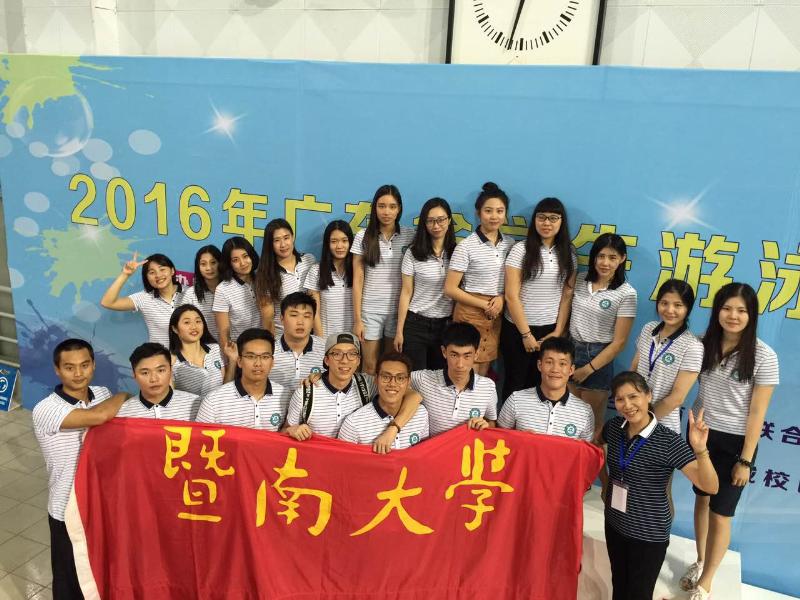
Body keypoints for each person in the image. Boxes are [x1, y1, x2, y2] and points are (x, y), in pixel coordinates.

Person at [682, 283, 779, 600]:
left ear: (752, 315)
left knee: (721, 513)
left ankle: (707, 580)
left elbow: (757, 413)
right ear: (717, 311)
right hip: (701, 434)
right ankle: (700, 561)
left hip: (736, 443)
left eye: (741, 310)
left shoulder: (764, 356)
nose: (733, 316)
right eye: (726, 308)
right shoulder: (701, 344)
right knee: (701, 500)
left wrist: (745, 460)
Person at [602, 372, 718, 600]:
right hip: (614, 523)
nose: (627, 405)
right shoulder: (614, 427)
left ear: (648, 396)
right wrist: (605, 484)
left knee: (639, 593)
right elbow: (596, 446)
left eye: (633, 396)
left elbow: (710, 487)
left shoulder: (668, 440)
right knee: (619, 584)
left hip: (648, 533)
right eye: (620, 399)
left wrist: (701, 450)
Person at [32, 339, 128, 600]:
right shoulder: (46, 409)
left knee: (101, 573)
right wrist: (124, 395)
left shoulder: (103, 394)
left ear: (93, 365)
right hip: (66, 508)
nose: (78, 373)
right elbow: (98, 417)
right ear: (57, 370)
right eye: (69, 367)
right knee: (70, 581)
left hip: (101, 504)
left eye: (84, 365)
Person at [372, 322, 497, 451]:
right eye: (454, 355)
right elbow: (388, 383)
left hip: (466, 456)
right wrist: (394, 428)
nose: (460, 364)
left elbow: (492, 422)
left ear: (476, 354)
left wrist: (486, 425)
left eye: (467, 356)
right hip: (432, 455)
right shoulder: (423, 379)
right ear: (444, 352)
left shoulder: (488, 387)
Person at [501, 197, 576, 399]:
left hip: (550, 330)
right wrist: (526, 334)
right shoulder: (521, 249)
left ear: (561, 221)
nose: (546, 223)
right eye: (541, 217)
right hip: (517, 329)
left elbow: (567, 295)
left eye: (553, 218)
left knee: (542, 386)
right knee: (515, 383)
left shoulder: (568, 253)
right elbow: (511, 296)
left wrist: (558, 331)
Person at [568, 233, 637, 434]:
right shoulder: (580, 279)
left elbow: (619, 343)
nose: (605, 263)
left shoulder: (626, 293)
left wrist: (588, 369)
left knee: (592, 424)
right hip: (571, 351)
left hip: (598, 357)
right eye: (601, 256)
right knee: (568, 416)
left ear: (622, 259)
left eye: (612, 257)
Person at [445, 182, 514, 376]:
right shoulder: (466, 246)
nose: (494, 216)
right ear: (478, 213)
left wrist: (501, 298)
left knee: (483, 373)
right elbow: (450, 288)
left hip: (495, 313)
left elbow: (513, 282)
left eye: (500, 211)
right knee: (464, 371)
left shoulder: (510, 244)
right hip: (469, 313)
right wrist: (484, 304)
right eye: (488, 211)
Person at [351, 184, 415, 374]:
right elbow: (358, 280)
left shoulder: (409, 235)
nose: (386, 212)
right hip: (370, 311)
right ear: (374, 208)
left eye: (392, 206)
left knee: (390, 367)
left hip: (398, 312)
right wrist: (358, 319)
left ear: (399, 209)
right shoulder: (363, 236)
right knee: (369, 366)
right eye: (382, 206)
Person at [631, 279, 703, 435]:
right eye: (664, 303)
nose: (670, 310)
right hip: (632, 417)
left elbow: (677, 398)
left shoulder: (693, 346)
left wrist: (644, 421)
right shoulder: (648, 329)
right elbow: (634, 369)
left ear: (688, 308)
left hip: (662, 426)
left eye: (678, 305)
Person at [394, 197, 456, 371]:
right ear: (424, 223)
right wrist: (399, 331)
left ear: (449, 220)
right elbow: (406, 292)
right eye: (430, 221)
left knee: (440, 378)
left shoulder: (457, 252)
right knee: (415, 377)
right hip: (415, 324)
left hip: (445, 326)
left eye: (441, 220)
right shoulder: (414, 253)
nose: (436, 226)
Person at [283, 332, 378, 440]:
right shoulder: (304, 394)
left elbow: (395, 395)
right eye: (337, 354)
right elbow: (284, 431)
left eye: (352, 354)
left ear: (358, 361)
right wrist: (291, 430)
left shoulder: (368, 384)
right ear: (327, 360)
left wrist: (392, 428)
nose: (344, 360)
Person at [497, 337, 593, 441]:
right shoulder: (516, 400)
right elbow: (498, 439)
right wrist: (518, 438)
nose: (555, 369)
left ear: (571, 370)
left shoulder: (584, 412)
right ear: (539, 365)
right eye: (549, 362)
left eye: (562, 364)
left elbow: (585, 449)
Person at [196, 328, 288, 430]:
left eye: (265, 357)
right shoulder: (213, 401)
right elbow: (199, 437)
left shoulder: (285, 396)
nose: (258, 363)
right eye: (251, 356)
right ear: (239, 361)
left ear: (272, 362)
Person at [338, 352, 429, 449]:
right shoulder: (353, 424)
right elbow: (341, 457)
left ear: (408, 382)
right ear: (376, 379)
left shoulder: (421, 414)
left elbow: (424, 453)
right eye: (386, 377)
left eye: (400, 378)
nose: (392, 384)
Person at [100, 252, 183, 347]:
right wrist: (125, 274)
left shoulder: (191, 293)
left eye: (162, 269)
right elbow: (107, 302)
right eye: (152, 272)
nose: (158, 275)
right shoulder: (144, 298)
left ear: (172, 271)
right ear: (147, 277)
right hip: (161, 355)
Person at [255, 218, 316, 336]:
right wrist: (272, 343)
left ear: (293, 237)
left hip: (310, 335)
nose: (283, 244)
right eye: (277, 240)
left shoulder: (309, 260)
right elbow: (268, 319)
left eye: (286, 238)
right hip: (282, 338)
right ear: (270, 244)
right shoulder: (265, 274)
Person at [117, 343, 200, 420]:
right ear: (134, 375)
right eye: (145, 373)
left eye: (160, 370)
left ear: (171, 370)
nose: (154, 379)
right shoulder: (122, 413)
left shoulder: (196, 405)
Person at [168, 305, 237, 397]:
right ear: (175, 329)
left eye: (198, 321)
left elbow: (225, 389)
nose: (194, 326)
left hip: (220, 405)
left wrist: (232, 360)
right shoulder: (171, 361)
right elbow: (171, 398)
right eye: (187, 322)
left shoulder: (215, 349)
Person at [269, 292, 326, 394]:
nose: (300, 322)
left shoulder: (326, 350)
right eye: (294, 315)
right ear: (282, 319)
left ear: (313, 320)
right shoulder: (268, 349)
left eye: (307, 316)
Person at [305, 220, 354, 337]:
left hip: (353, 340)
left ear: (351, 242)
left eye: (344, 241)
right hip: (326, 338)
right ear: (327, 244)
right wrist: (320, 340)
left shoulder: (359, 271)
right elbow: (314, 311)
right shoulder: (316, 271)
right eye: (334, 241)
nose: (339, 246)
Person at [212, 236, 261, 345]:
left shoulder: (263, 280)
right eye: (235, 260)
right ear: (229, 263)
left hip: (265, 345)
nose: (243, 263)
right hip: (240, 348)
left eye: (245, 256)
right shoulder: (222, 290)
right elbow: (223, 334)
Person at [181, 245, 222, 340]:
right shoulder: (191, 294)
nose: (209, 268)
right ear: (198, 267)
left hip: (233, 343)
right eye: (203, 264)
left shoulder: (230, 288)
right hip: (203, 344)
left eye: (213, 262)